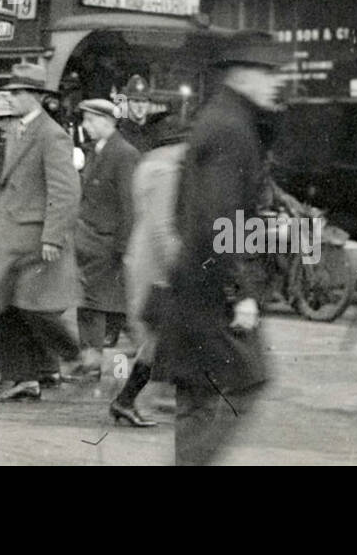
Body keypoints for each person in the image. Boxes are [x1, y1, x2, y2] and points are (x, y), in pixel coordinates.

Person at [155, 33, 281, 465]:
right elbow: (220, 219)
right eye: (267, 74)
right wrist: (240, 292)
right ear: (243, 76)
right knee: (248, 382)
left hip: (191, 281)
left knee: (197, 399)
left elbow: (185, 210)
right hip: (213, 291)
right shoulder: (233, 130)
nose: (274, 84)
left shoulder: (216, 119)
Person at [0, 64, 86, 402]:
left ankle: (67, 359)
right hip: (12, 235)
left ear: (38, 97)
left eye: (17, 93)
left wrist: (52, 237)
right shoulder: (20, 131)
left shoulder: (52, 135)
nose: (10, 98)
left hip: (31, 238)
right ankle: (28, 378)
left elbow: (66, 192)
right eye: (10, 92)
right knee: (14, 307)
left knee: (24, 307)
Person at [109, 116, 189, 427]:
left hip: (141, 251)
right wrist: (175, 267)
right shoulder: (168, 172)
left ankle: (135, 399)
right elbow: (161, 227)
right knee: (159, 335)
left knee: (159, 335)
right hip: (155, 260)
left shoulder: (149, 164)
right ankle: (128, 400)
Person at [74, 98, 140, 377]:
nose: (85, 126)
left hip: (106, 240)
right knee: (100, 303)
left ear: (107, 122)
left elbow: (129, 203)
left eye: (90, 120)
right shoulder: (98, 150)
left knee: (95, 303)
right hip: (91, 238)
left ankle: (91, 361)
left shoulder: (123, 153)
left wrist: (123, 246)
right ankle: (92, 359)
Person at [117, 74, 155, 152]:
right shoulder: (120, 132)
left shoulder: (154, 131)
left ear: (149, 104)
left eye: (144, 101)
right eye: (136, 101)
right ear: (128, 102)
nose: (140, 106)